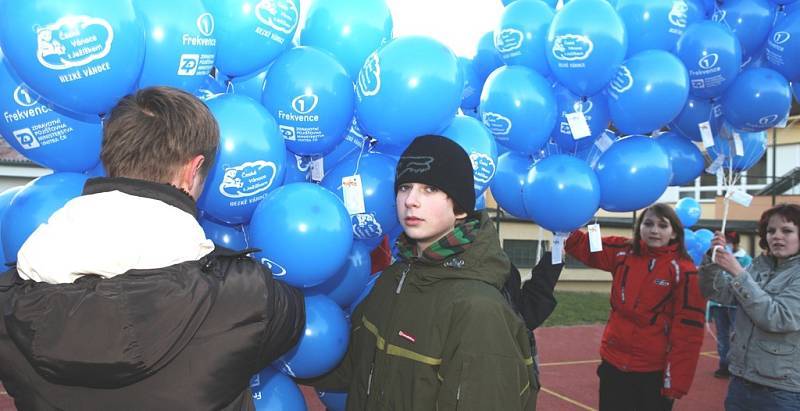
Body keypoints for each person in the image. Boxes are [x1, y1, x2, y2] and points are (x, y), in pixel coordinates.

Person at [0, 87, 305, 410]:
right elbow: (293, 315)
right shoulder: (246, 295)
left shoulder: (10, 300)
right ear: (192, 170)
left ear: (110, 156)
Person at [310, 135, 539, 410]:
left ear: (461, 209)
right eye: (405, 187)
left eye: (430, 189)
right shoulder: (392, 280)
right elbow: (351, 368)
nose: (411, 201)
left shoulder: (479, 310)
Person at [564, 203, 706, 411]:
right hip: (613, 365)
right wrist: (564, 221)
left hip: (652, 374)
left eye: (662, 225)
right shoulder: (624, 251)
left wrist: (675, 384)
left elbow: (688, 333)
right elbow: (585, 246)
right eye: (648, 224)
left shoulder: (685, 272)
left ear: (674, 232)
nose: (654, 230)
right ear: (639, 228)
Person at [699, 203, 800, 411]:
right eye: (771, 231)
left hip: (782, 390)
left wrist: (739, 273)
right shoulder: (758, 264)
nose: (776, 236)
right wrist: (713, 258)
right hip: (741, 381)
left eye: (787, 230)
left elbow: (779, 318)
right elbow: (719, 293)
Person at [708, 231, 752, 379]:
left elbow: (749, 282)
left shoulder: (746, 260)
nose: (726, 245)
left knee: (737, 336)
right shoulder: (715, 257)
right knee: (722, 336)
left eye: (729, 242)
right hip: (719, 305)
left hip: (736, 306)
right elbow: (712, 281)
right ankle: (724, 365)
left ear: (736, 243)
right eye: (724, 242)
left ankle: (736, 366)